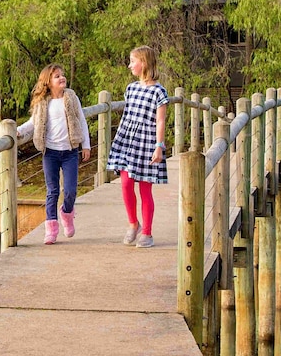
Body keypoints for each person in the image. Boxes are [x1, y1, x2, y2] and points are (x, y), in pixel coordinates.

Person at [17, 64, 91, 245]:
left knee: (71, 190)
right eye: (57, 76)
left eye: (62, 75)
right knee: (52, 191)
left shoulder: (71, 97)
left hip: (70, 152)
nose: (61, 78)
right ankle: (51, 229)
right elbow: (32, 123)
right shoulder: (43, 103)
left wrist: (86, 145)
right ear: (48, 82)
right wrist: (17, 131)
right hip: (50, 153)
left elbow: (81, 120)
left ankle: (66, 213)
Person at [106, 46, 168, 248]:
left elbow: (160, 121)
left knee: (145, 188)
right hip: (128, 139)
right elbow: (128, 114)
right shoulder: (131, 88)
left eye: (133, 61)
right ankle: (133, 223)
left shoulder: (159, 91)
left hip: (147, 141)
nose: (130, 65)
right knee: (125, 183)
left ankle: (147, 232)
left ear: (144, 62)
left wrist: (159, 146)